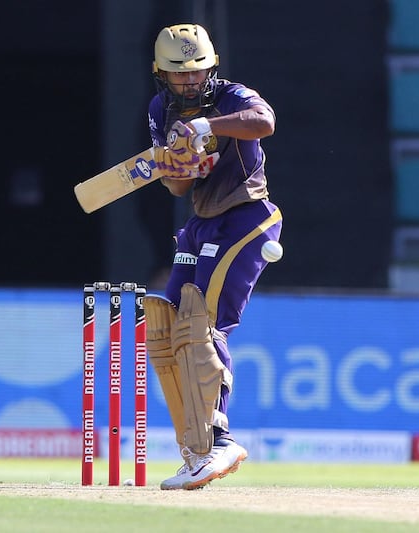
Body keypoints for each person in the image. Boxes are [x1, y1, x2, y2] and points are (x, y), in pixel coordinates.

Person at [143, 23, 283, 490]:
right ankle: (196, 447)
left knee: (203, 322)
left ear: (213, 67)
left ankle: (220, 439)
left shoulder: (233, 97)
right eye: (179, 74)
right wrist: (184, 165)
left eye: (198, 71)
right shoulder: (161, 109)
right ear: (160, 73)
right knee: (165, 327)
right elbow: (177, 185)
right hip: (201, 222)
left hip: (247, 217)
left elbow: (265, 123)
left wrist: (207, 126)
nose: (190, 81)